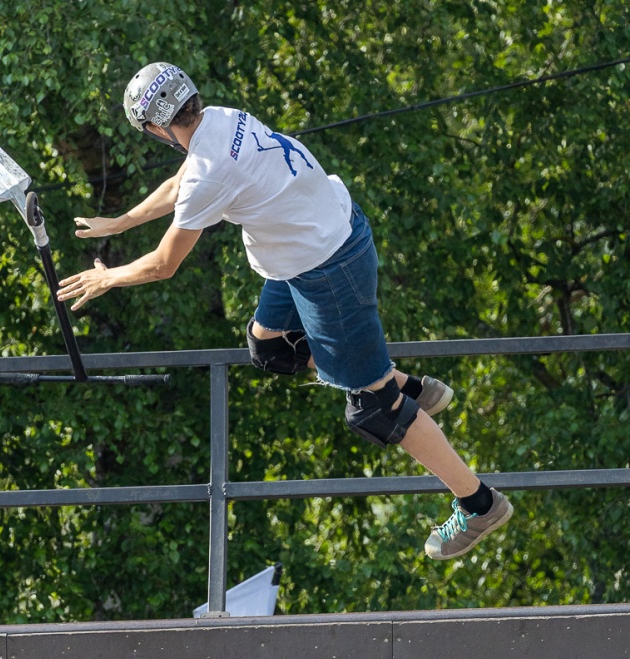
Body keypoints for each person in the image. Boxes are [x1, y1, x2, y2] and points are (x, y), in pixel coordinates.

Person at [56, 62, 513, 561]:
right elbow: (179, 183)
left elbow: (164, 264)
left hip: (328, 267)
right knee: (270, 347)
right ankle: (413, 389)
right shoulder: (222, 119)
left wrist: (106, 277)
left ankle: (478, 503)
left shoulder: (210, 170)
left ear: (155, 128)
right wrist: (121, 222)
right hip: (312, 244)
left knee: (372, 408)